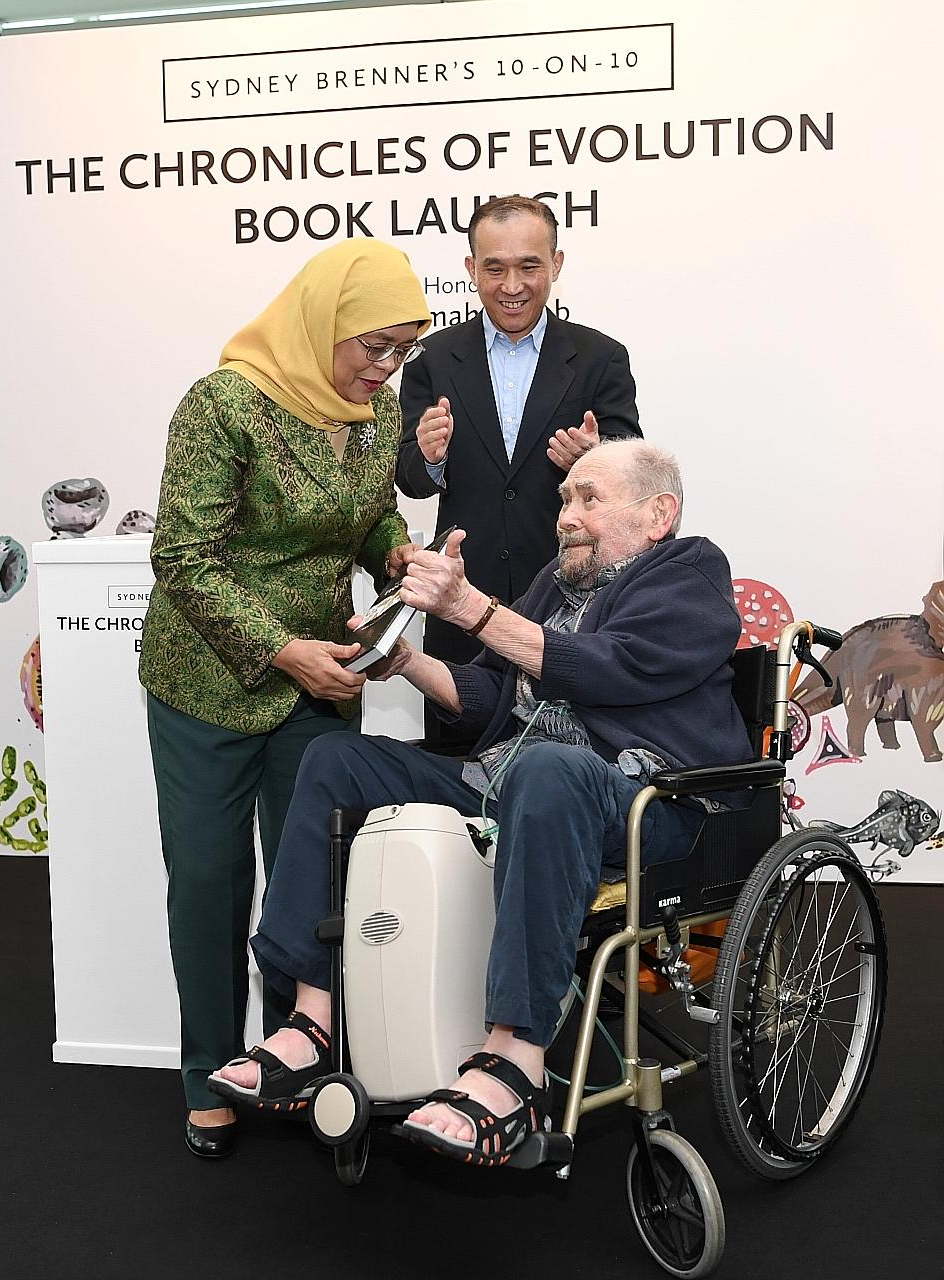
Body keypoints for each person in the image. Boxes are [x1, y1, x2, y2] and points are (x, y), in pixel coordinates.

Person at [208, 440, 753, 1168]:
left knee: (550, 770)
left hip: (643, 801)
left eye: (588, 498)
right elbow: (496, 697)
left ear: (659, 513)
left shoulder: (689, 576)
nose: (566, 515)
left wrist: (466, 605)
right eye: (563, 499)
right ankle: (314, 1022)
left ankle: (515, 1057)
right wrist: (406, 660)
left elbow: (609, 669)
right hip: (512, 783)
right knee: (337, 758)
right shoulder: (553, 586)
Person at [138, 239, 431, 1158]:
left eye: (401, 351)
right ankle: (206, 1075)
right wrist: (280, 650)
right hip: (209, 683)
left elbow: (370, 510)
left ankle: (290, 1057)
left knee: (315, 886)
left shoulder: (376, 409)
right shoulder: (224, 403)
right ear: (323, 325)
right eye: (373, 346)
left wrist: (394, 553)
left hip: (323, 681)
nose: (384, 369)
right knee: (209, 885)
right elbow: (182, 558)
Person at [397, 195, 642, 676]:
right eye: (494, 269)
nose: (512, 286)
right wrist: (427, 457)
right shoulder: (431, 359)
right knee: (459, 745)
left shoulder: (601, 358)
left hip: (574, 605)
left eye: (529, 266)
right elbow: (410, 480)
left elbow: (634, 475)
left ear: (556, 263)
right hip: (461, 607)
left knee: (564, 749)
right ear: (470, 268)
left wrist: (595, 459)